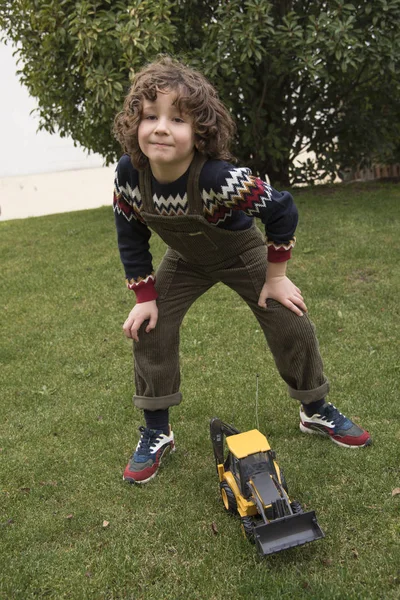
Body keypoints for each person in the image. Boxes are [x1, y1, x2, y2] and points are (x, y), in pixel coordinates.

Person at [112, 57, 371, 484]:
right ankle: (157, 430)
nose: (161, 127)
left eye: (177, 119)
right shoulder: (129, 175)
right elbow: (129, 232)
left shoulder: (221, 178)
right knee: (151, 328)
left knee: (291, 320)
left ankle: (315, 409)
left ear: (200, 133)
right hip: (185, 259)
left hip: (240, 252)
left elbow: (281, 208)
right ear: (134, 123)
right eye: (150, 116)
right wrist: (145, 297)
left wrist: (276, 276)